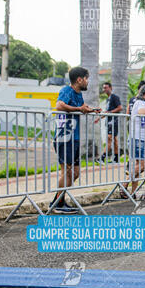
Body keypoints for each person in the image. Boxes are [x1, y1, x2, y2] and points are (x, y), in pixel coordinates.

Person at [50, 67, 100, 212]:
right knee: (67, 172)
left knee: (75, 173)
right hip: (65, 137)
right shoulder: (67, 90)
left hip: (75, 137)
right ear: (79, 79)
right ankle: (58, 204)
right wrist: (79, 109)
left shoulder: (79, 95)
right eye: (87, 78)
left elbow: (80, 108)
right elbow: (59, 105)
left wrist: (91, 110)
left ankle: (57, 201)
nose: (88, 81)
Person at [97, 82, 122, 164]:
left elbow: (119, 108)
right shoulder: (108, 99)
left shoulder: (114, 97)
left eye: (106, 87)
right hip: (109, 122)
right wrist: (100, 118)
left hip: (113, 122)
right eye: (103, 88)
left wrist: (110, 112)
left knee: (109, 139)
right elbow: (108, 111)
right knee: (114, 140)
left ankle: (102, 158)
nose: (104, 89)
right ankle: (116, 159)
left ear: (110, 88)